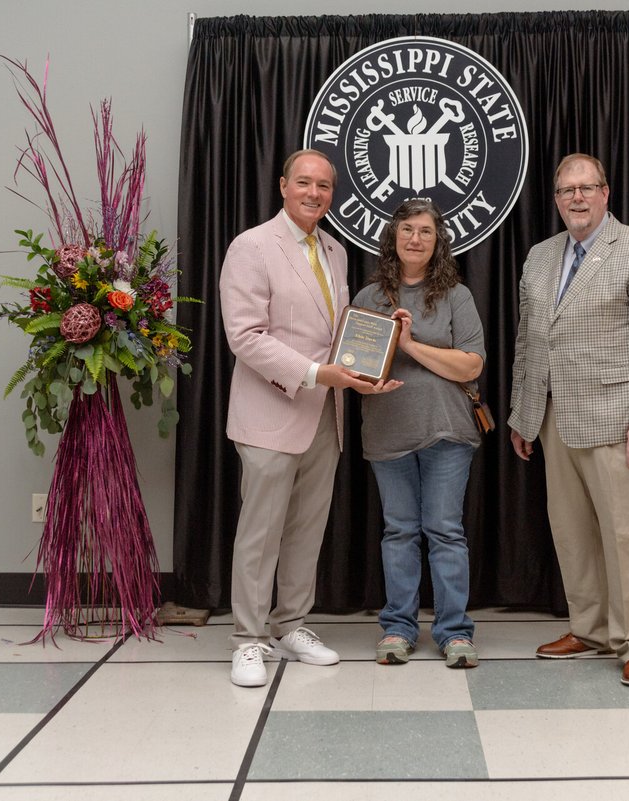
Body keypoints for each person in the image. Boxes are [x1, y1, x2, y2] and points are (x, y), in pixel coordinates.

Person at [219, 149, 399, 687]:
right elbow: (245, 336)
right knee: (261, 532)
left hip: (327, 414)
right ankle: (247, 639)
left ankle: (290, 624)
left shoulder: (334, 251)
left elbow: (338, 331)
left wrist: (377, 350)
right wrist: (319, 374)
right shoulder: (252, 246)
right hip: (272, 412)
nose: (314, 193)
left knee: (305, 530)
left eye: (324, 185)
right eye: (304, 182)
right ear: (282, 186)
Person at [508, 153, 629, 686]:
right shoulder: (539, 257)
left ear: (606, 192)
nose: (576, 198)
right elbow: (528, 341)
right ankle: (589, 628)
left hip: (618, 420)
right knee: (573, 532)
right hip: (554, 418)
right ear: (556, 199)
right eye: (566, 190)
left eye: (586, 187)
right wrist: (521, 414)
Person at [353, 199, 486, 669]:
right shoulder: (368, 299)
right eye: (407, 229)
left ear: (438, 241)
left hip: (446, 432)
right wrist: (368, 375)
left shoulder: (455, 296)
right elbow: (353, 368)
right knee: (399, 532)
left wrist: (408, 344)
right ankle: (398, 628)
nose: (415, 239)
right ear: (392, 237)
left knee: (446, 531)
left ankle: (454, 633)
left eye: (425, 232)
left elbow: (471, 364)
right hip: (387, 432)